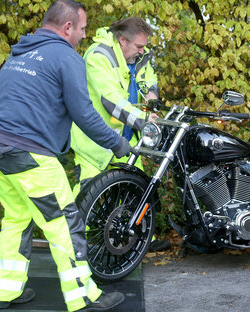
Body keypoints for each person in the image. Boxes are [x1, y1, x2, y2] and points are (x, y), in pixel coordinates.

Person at [0, 0, 130, 310]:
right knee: (65, 224)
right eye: (83, 29)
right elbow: (84, 113)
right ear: (68, 27)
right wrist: (116, 143)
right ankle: (84, 297)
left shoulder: (21, 52)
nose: (84, 36)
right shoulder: (66, 56)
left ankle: (6, 292)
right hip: (28, 154)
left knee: (17, 220)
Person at [69, 17, 170, 252]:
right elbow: (111, 99)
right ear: (122, 40)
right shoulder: (98, 56)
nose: (143, 51)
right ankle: (75, 242)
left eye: (144, 46)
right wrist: (144, 122)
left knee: (139, 189)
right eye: (138, 46)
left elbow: (149, 81)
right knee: (87, 192)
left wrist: (152, 96)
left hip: (127, 137)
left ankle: (143, 241)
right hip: (94, 141)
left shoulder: (138, 56)